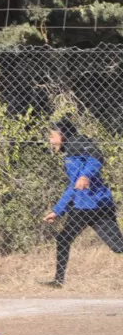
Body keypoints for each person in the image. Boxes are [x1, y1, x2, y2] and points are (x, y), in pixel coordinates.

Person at [44, 118, 123, 287]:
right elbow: (73, 186)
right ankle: (58, 281)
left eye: (52, 135)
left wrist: (84, 175)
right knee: (64, 238)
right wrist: (57, 211)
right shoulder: (70, 150)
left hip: (94, 206)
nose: (50, 139)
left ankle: (58, 281)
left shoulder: (78, 145)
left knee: (118, 246)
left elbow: (96, 159)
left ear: (62, 135)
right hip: (87, 206)